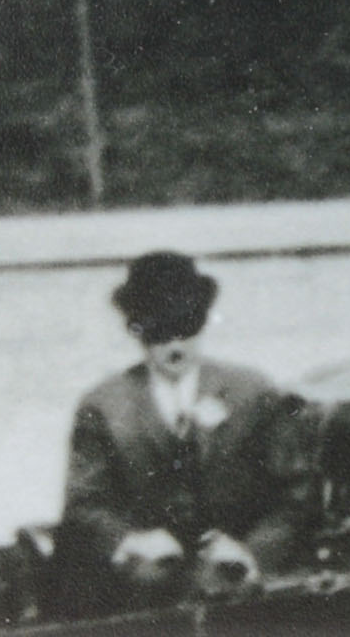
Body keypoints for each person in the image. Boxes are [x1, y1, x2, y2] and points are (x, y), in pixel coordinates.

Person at [59, 251, 315, 607]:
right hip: (147, 590)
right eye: (159, 333)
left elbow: (296, 495)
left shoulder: (252, 393)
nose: (175, 345)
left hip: (243, 583)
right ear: (136, 330)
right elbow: (84, 505)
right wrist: (131, 540)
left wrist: (253, 552)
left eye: (187, 326)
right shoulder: (103, 406)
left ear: (204, 320)